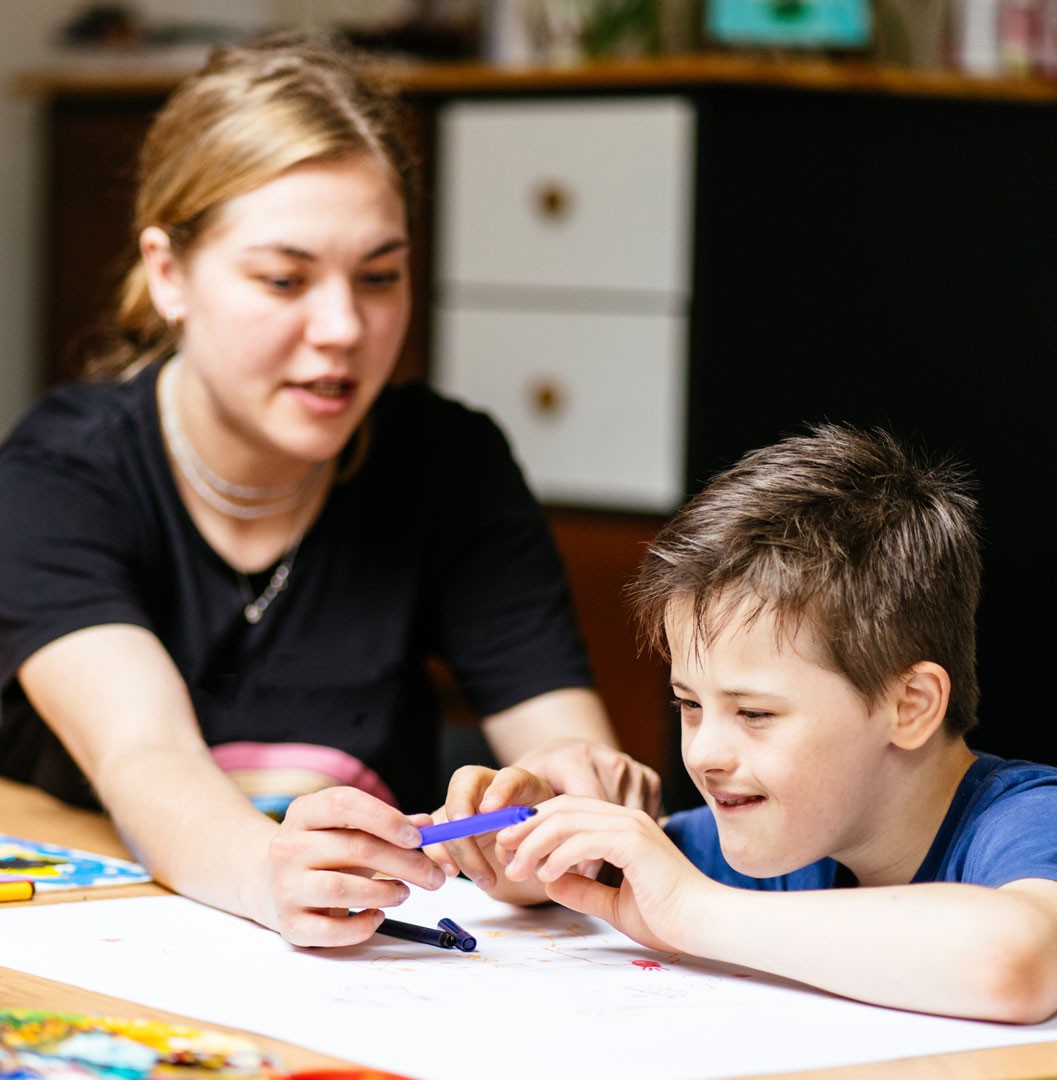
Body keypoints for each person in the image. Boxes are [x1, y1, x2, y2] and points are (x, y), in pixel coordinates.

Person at [0, 31, 658, 947]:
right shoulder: (62, 472)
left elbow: (555, 739)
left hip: (366, 968)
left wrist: (555, 814)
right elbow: (143, 756)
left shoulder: (449, 464)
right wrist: (272, 875)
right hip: (111, 937)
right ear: (168, 273)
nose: (344, 327)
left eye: (380, 276)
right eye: (284, 278)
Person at [495, 423, 1057, 1022]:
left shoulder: (1035, 819)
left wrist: (697, 910)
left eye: (754, 713)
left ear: (911, 706)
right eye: (689, 706)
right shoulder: (792, 830)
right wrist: (517, 855)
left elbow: (1015, 960)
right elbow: (615, 880)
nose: (702, 755)